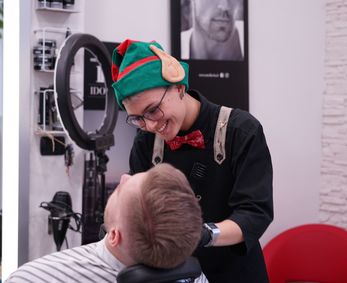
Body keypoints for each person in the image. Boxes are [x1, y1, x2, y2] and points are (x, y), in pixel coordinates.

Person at [111, 39, 273, 282]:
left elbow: (255, 213)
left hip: (236, 274)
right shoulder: (145, 144)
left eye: (153, 110)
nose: (151, 125)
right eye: (138, 119)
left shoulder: (241, 131)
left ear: (179, 87)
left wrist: (206, 234)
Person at [5, 164, 208, 283]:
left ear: (113, 236)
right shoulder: (197, 278)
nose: (123, 177)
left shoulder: (31, 278)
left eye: (121, 190)